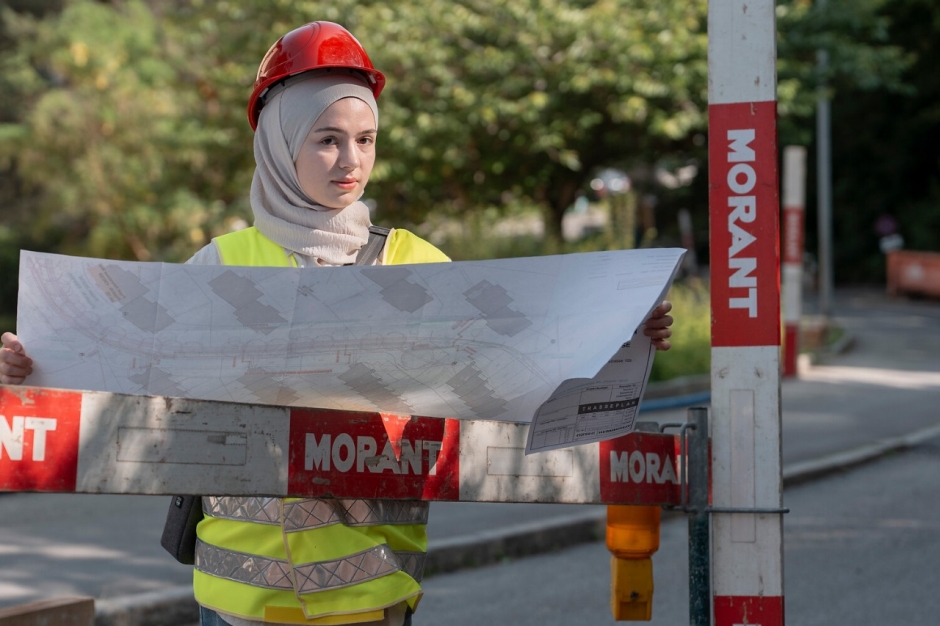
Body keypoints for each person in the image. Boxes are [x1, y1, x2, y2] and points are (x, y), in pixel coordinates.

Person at [0, 21, 674, 626]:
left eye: (364, 139)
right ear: (278, 142)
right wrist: (34, 367)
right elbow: (123, 376)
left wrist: (625, 330)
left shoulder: (417, 263)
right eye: (326, 140)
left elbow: (524, 362)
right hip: (234, 607)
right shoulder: (219, 266)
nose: (351, 161)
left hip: (371, 599)